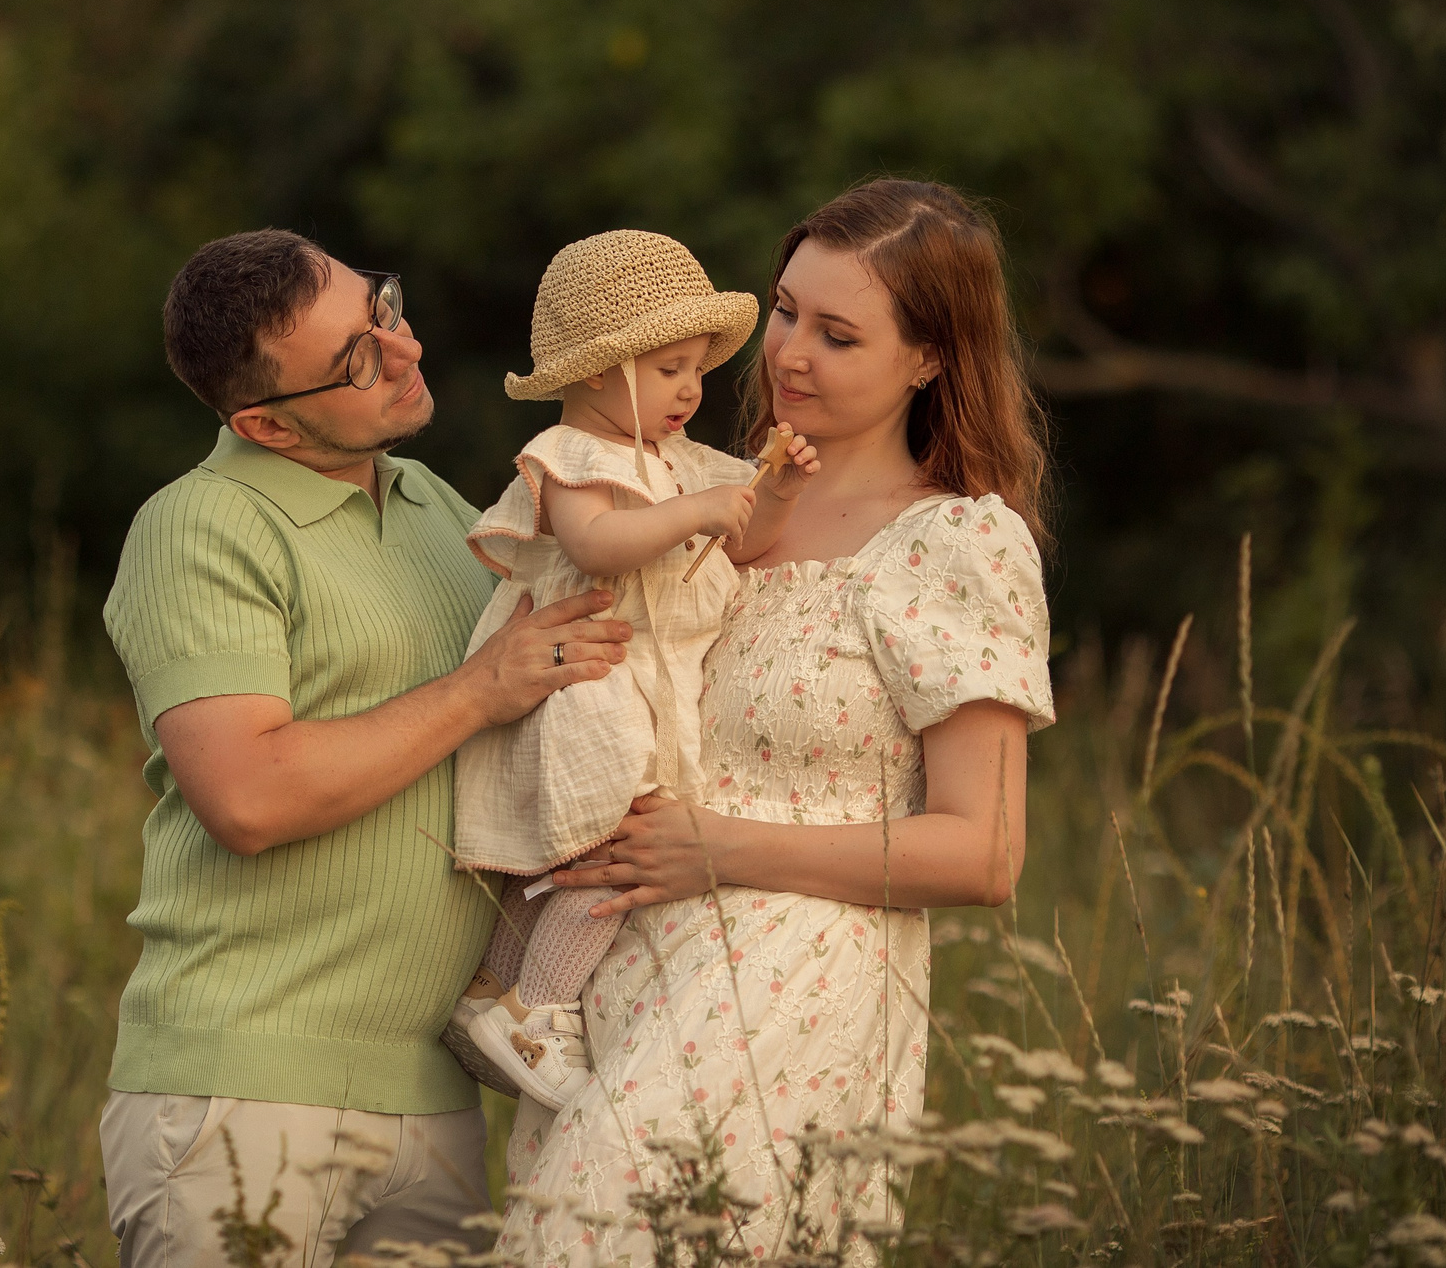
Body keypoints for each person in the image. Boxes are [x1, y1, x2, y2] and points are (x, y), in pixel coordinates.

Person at [501, 180, 1056, 1266]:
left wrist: (723, 849)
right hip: (617, 982)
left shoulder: (951, 547)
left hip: (789, 992)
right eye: (787, 311)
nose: (788, 353)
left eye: (839, 335)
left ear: (929, 360)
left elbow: (985, 853)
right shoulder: (692, 496)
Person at [97, 229, 633, 1268]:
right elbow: (249, 796)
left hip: (433, 1096)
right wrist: (479, 689)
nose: (407, 349)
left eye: (382, 309)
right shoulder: (201, 526)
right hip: (242, 1093)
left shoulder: (434, 504)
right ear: (265, 424)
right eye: (356, 358)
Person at [444, 231, 818, 1111]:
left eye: (696, 368)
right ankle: (540, 1007)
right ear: (598, 373)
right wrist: (691, 508)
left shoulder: (680, 459)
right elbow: (598, 544)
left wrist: (778, 493)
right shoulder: (572, 457)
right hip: (588, 686)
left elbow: (745, 537)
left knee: (567, 856)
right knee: (612, 854)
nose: (692, 388)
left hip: (644, 694)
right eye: (669, 369)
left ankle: (488, 992)